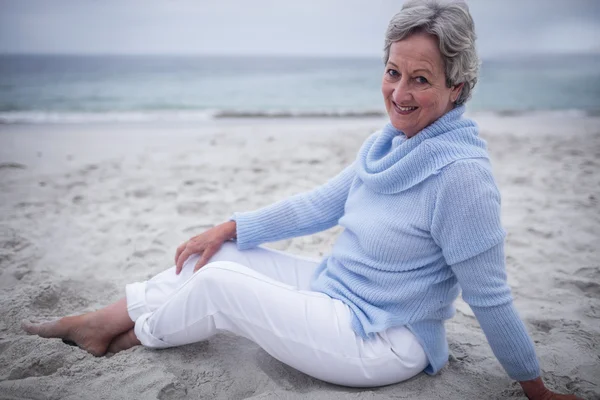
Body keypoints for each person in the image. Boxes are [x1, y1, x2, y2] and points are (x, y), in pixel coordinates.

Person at [22, 1, 580, 398]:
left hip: (385, 339)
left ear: (457, 88)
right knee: (219, 257)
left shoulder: (462, 177)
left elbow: (490, 294)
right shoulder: (390, 142)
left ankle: (128, 338)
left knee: (220, 287)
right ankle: (103, 321)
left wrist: (535, 387)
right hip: (336, 290)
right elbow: (320, 204)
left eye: (421, 80)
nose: (399, 94)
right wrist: (229, 227)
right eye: (392, 73)